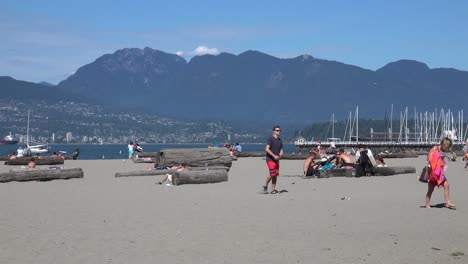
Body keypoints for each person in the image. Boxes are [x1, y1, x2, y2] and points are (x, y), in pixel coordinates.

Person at [425, 137, 456, 209]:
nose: (447, 149)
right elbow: (428, 158)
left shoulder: (444, 151)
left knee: (446, 185)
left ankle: (448, 203)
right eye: (447, 147)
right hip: (432, 172)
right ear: (443, 145)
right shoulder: (436, 148)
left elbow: (450, 156)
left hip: (440, 173)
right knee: (430, 189)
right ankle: (427, 204)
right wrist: (437, 155)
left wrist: (452, 157)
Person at [261, 126, 283, 194]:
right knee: (272, 173)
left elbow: (281, 149)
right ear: (273, 131)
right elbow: (267, 149)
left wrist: (281, 153)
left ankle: (273, 189)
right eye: (277, 130)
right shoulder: (270, 139)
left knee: (275, 174)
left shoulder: (280, 140)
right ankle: (265, 185)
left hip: (277, 160)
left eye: (279, 130)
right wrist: (274, 156)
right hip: (270, 159)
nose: (278, 131)